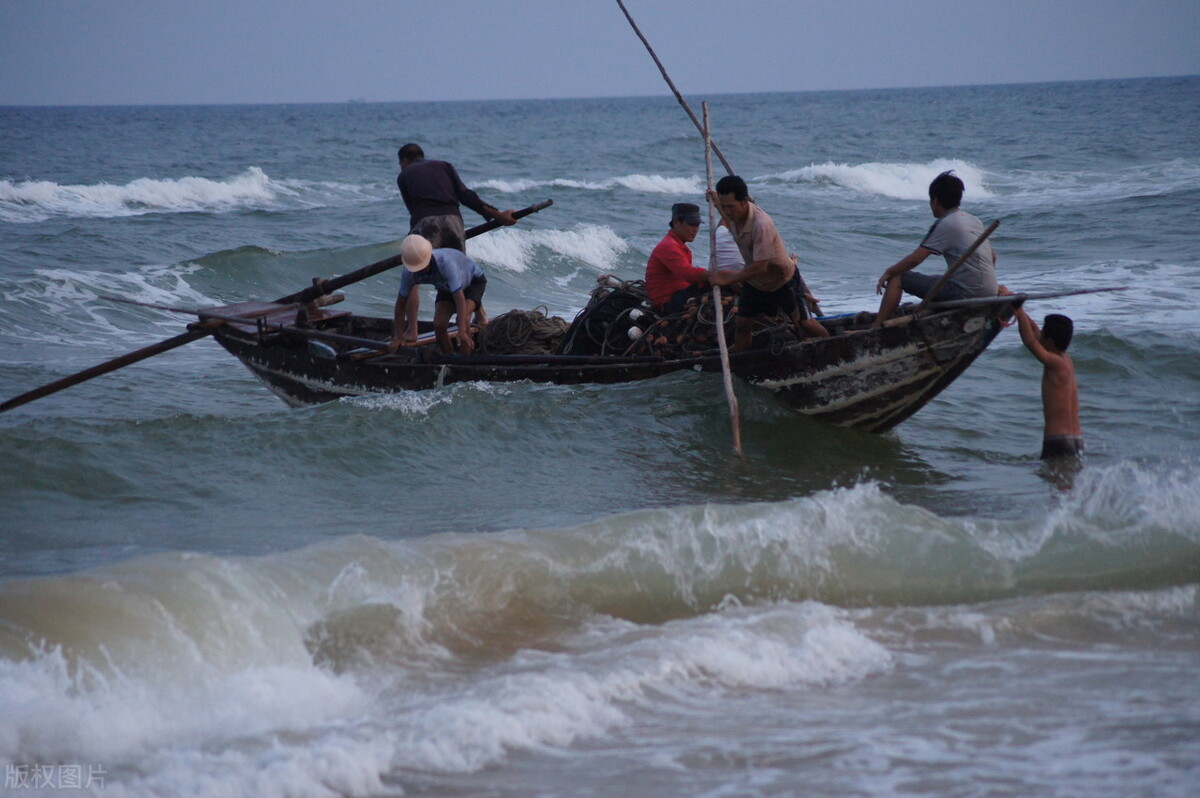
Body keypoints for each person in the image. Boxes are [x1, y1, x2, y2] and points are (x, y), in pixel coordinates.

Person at [708, 175, 828, 350]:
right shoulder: (730, 213)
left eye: (731, 207)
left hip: (782, 280)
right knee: (743, 325)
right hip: (756, 283)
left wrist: (728, 278)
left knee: (804, 324)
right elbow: (722, 206)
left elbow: (760, 266)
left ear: (744, 201)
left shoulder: (761, 224)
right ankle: (740, 361)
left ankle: (829, 346)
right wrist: (714, 198)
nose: (727, 211)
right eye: (723, 206)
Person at [872, 170, 997, 327]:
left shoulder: (946, 223)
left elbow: (915, 259)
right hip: (990, 292)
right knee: (939, 279)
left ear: (935, 200)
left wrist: (889, 272)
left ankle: (875, 328)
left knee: (898, 277)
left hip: (965, 294)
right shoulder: (974, 220)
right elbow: (992, 257)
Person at [998, 286, 1084, 459]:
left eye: (1044, 333)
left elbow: (1030, 341)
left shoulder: (1054, 363)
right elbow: (1036, 333)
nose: (1040, 333)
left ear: (1050, 340)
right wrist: (1017, 308)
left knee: (1056, 483)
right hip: (1076, 439)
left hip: (1058, 440)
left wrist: (1018, 310)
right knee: (1066, 483)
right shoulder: (1066, 360)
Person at [396, 143, 517, 251]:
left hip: (427, 223)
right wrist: (498, 215)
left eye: (400, 163)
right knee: (457, 266)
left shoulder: (403, 175)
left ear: (404, 161)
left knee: (423, 268)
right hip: (453, 221)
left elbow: (414, 212)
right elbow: (465, 195)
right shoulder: (444, 166)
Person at [390, 234, 488, 356]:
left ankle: (466, 359)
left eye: (422, 266)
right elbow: (400, 305)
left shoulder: (446, 264)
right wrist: (399, 336)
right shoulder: (409, 273)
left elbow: (459, 298)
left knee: (464, 320)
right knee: (439, 324)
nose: (420, 271)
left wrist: (461, 330)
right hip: (445, 287)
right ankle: (448, 357)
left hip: (472, 282)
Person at [644, 202, 711, 313]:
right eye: (691, 224)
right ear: (676, 222)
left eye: (697, 225)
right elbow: (688, 274)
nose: (696, 229)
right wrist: (715, 275)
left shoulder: (678, 245)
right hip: (668, 301)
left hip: (679, 294)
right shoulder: (669, 246)